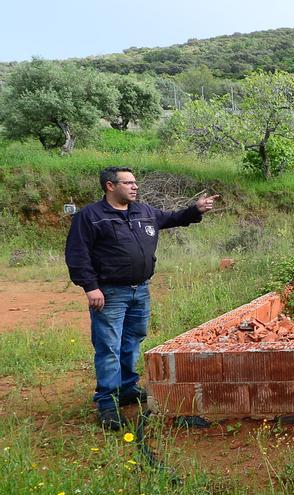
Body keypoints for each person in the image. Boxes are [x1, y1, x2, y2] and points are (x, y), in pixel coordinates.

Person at [65, 166, 218, 430]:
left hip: (140, 290)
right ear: (110, 186)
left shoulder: (143, 211)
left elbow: (172, 218)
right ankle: (108, 403)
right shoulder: (90, 216)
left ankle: (126, 388)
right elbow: (78, 254)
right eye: (128, 183)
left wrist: (195, 210)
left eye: (136, 183)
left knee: (132, 340)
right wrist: (90, 287)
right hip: (109, 292)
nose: (135, 187)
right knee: (109, 347)